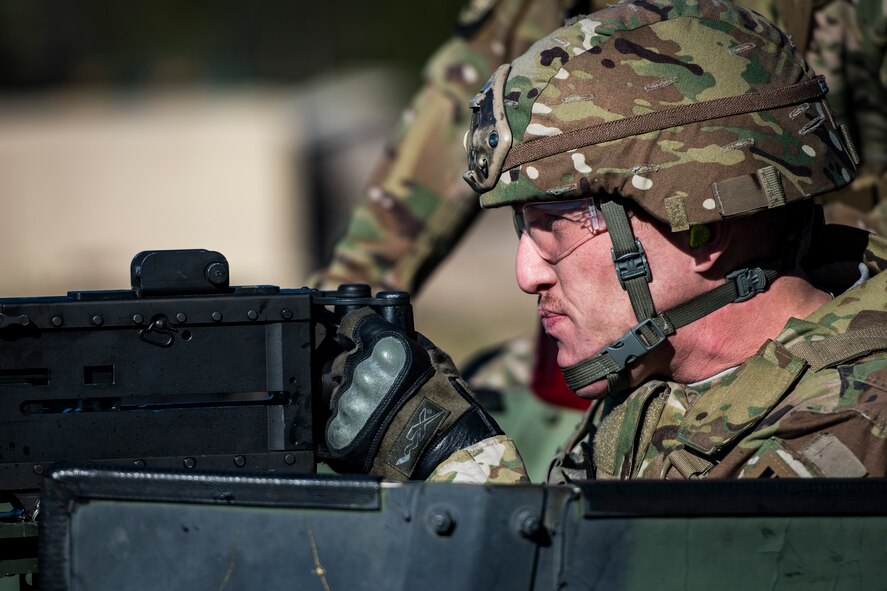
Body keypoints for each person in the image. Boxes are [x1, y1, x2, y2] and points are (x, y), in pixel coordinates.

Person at [319, 0, 887, 483]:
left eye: (555, 226)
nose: (527, 274)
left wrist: (455, 462)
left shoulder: (852, 423)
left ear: (700, 227)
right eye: (523, 227)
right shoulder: (647, 381)